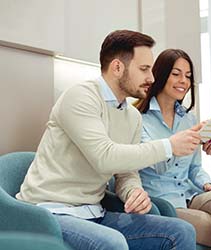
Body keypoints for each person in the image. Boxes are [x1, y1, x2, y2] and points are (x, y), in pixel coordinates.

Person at [16, 30, 201, 250]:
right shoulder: (81, 97)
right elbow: (105, 157)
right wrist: (169, 146)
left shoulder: (131, 116)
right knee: (112, 243)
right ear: (117, 67)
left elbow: (126, 172)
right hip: (51, 212)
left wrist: (133, 191)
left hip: (94, 212)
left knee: (180, 231)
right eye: (143, 69)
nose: (151, 78)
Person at [135, 48, 211, 250]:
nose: (183, 80)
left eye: (188, 76)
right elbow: (156, 166)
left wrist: (206, 184)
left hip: (190, 195)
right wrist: (180, 142)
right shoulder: (139, 119)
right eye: (176, 74)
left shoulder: (188, 119)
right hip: (163, 203)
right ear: (160, 74)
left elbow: (194, 168)